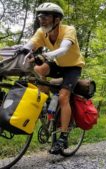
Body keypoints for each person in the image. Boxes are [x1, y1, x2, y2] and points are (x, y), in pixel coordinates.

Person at [19, 2, 85, 154]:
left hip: (73, 67)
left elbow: (64, 49)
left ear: (57, 19)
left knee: (63, 97)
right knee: (35, 71)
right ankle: (46, 102)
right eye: (40, 16)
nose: (41, 19)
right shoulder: (41, 32)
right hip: (57, 63)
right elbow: (29, 46)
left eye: (46, 16)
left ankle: (63, 137)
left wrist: (44, 55)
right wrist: (19, 51)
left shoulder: (69, 30)